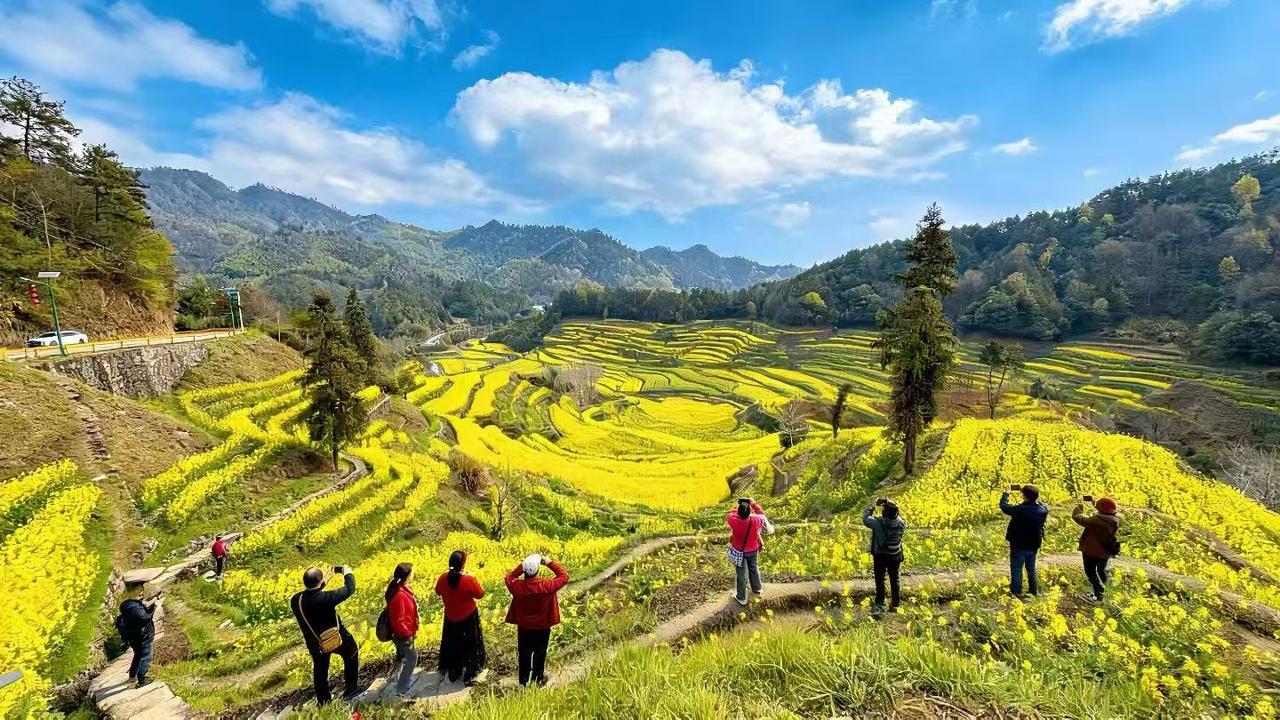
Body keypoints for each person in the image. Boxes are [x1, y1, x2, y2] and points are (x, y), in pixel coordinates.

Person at [292, 566, 360, 705]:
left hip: (314, 643)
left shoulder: (296, 600)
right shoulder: (326, 598)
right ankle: (351, 689)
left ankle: (323, 701)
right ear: (320, 581)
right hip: (335, 638)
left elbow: (312, 593)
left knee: (320, 669)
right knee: (351, 652)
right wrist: (347, 572)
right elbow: (350, 588)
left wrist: (325, 579)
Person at [504, 554, 569, 686]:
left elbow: (508, 577)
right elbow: (564, 576)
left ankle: (523, 681)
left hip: (524, 628)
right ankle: (537, 679)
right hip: (543, 627)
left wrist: (521, 567)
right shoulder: (547, 585)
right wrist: (549, 562)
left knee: (524, 654)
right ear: (538, 570)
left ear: (524, 571)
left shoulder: (518, 587)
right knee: (540, 653)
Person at [435, 550, 487, 685]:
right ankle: (470, 671)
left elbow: (437, 591)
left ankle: (454, 671)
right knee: (470, 645)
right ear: (463, 565)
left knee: (454, 644)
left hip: (450, 617)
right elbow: (480, 594)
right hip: (468, 618)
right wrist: (474, 577)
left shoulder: (443, 578)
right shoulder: (468, 579)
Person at [1000, 484, 1049, 598]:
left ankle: (1017, 592)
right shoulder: (1043, 510)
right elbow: (1041, 503)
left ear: (1023, 495)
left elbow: (1004, 506)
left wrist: (1006, 493)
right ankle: (1033, 591)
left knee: (1017, 568)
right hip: (1034, 543)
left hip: (1019, 543)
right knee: (1031, 568)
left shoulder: (1020, 509)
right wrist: (1032, 495)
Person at [726, 497, 775, 606]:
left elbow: (731, 513)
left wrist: (738, 505)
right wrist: (753, 504)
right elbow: (762, 514)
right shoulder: (757, 520)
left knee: (741, 574)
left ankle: (741, 597)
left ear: (739, 512)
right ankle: (757, 589)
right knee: (754, 568)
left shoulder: (733, 520)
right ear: (749, 512)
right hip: (753, 550)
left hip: (739, 552)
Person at [863, 499, 907, 612]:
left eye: (883, 510)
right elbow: (896, 513)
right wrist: (888, 502)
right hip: (895, 554)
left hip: (881, 555)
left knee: (880, 579)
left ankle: (879, 603)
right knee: (895, 578)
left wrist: (869, 510)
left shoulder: (878, 523)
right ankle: (895, 604)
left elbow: (866, 519)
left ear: (885, 513)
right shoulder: (901, 523)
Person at [1073, 497, 1121, 601]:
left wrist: (1079, 505)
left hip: (1091, 551)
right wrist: (1093, 501)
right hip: (1104, 552)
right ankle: (1109, 594)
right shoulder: (1115, 520)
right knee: (1102, 572)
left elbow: (1077, 517)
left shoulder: (1095, 520)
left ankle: (1099, 594)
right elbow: (1104, 508)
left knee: (1090, 572)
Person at [384, 563, 419, 696]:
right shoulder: (399, 595)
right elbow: (398, 621)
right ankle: (402, 689)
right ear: (407, 576)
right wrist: (408, 635)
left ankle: (395, 679)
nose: (413, 574)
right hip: (403, 635)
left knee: (401, 657)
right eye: (412, 573)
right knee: (412, 659)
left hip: (403, 633)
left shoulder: (400, 588)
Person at [115, 593, 159, 687]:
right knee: (147, 657)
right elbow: (146, 616)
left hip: (133, 640)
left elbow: (137, 609)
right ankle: (142, 680)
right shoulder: (141, 618)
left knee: (138, 655)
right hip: (144, 640)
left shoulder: (125, 616)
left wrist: (146, 600)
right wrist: (154, 606)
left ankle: (132, 677)